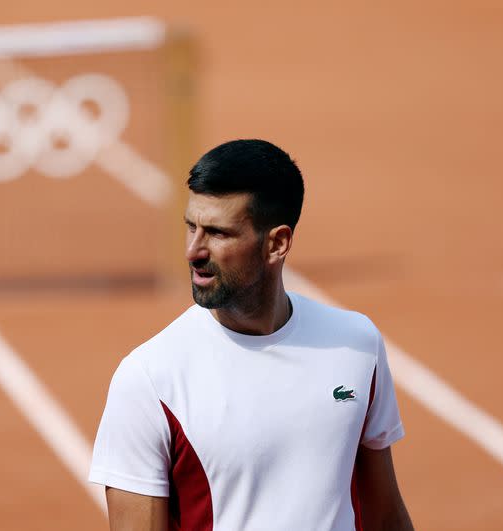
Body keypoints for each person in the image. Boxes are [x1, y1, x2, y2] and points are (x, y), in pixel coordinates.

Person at [89, 139, 413, 531]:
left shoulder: (356, 345)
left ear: (276, 243)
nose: (193, 251)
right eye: (191, 226)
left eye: (218, 233)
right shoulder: (149, 379)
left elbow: (385, 516)